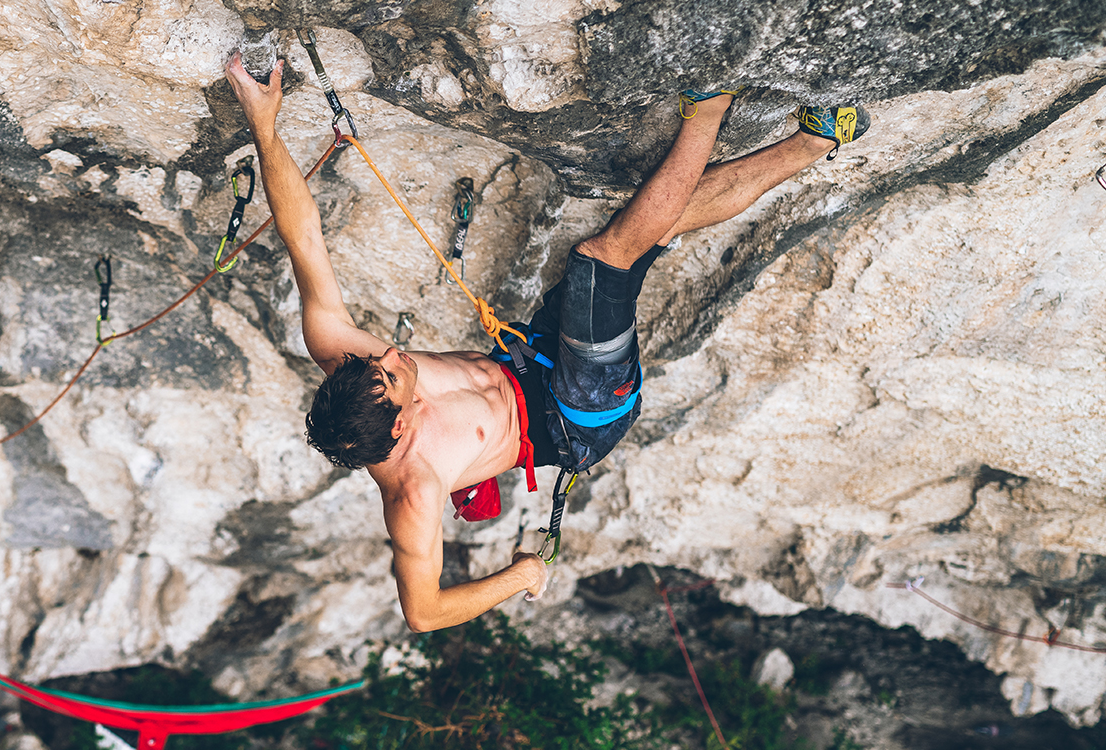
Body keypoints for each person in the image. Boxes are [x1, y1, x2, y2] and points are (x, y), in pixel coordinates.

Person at [223, 53, 866, 632]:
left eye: (375, 361)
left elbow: (302, 236)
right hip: (578, 413)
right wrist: (520, 576)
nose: (390, 354)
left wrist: (265, 127)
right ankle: (711, 106)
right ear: (398, 427)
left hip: (531, 363)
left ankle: (817, 141)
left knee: (652, 230)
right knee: (602, 257)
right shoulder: (413, 494)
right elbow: (423, 612)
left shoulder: (349, 365)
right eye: (392, 375)